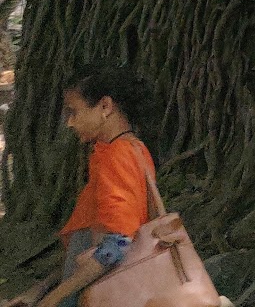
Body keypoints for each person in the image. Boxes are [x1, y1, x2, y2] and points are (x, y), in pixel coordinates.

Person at [4, 67, 159, 307]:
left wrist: (54, 299)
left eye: (74, 112)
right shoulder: (132, 150)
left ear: (105, 107)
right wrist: (41, 290)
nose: (69, 123)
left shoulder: (116, 156)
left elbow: (118, 244)